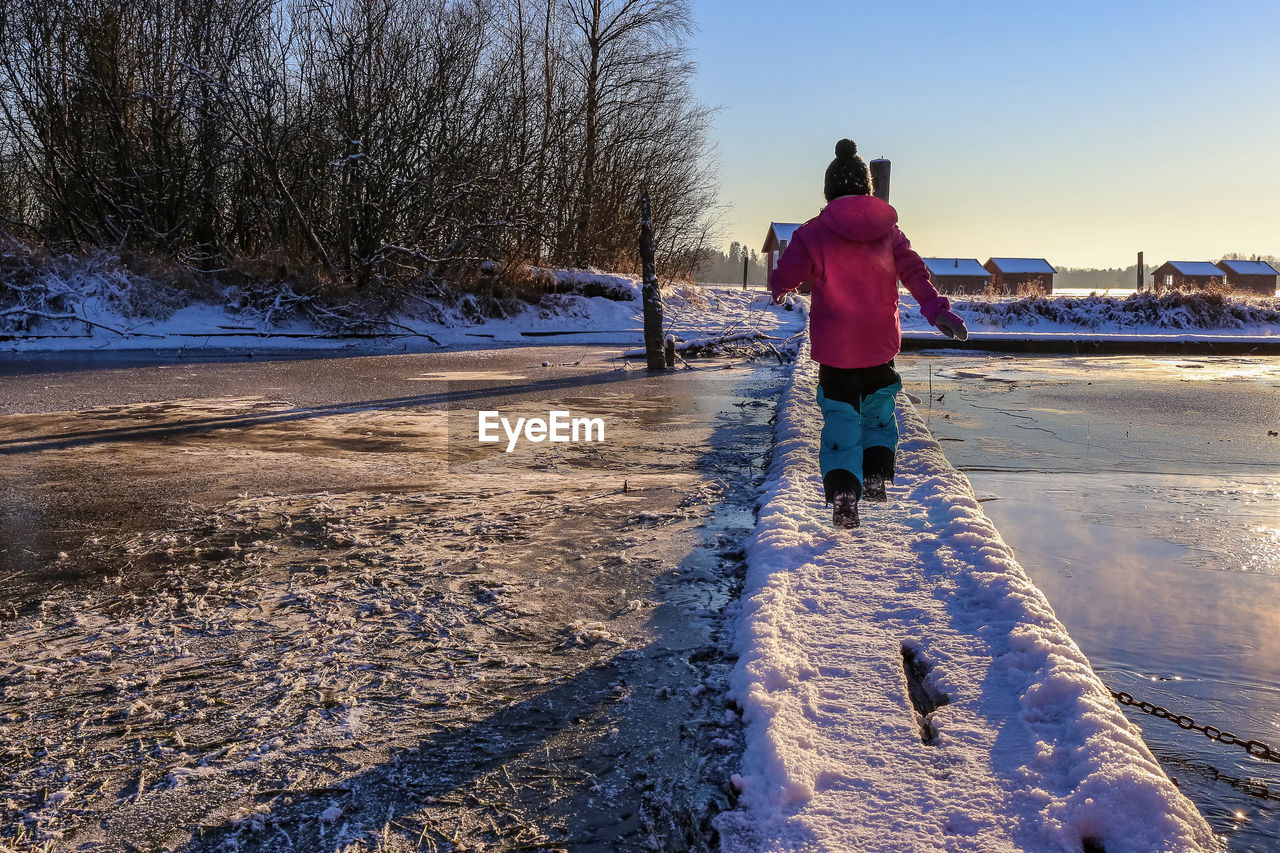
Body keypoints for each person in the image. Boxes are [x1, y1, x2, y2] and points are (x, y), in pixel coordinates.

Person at [770, 138, 967, 529]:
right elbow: (914, 273)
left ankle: (844, 489)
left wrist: (781, 286)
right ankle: (876, 473)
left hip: (836, 349)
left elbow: (787, 275)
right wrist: (936, 311)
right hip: (879, 345)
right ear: (867, 188)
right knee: (879, 410)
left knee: (841, 416)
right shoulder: (890, 233)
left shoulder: (813, 233)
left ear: (828, 191)